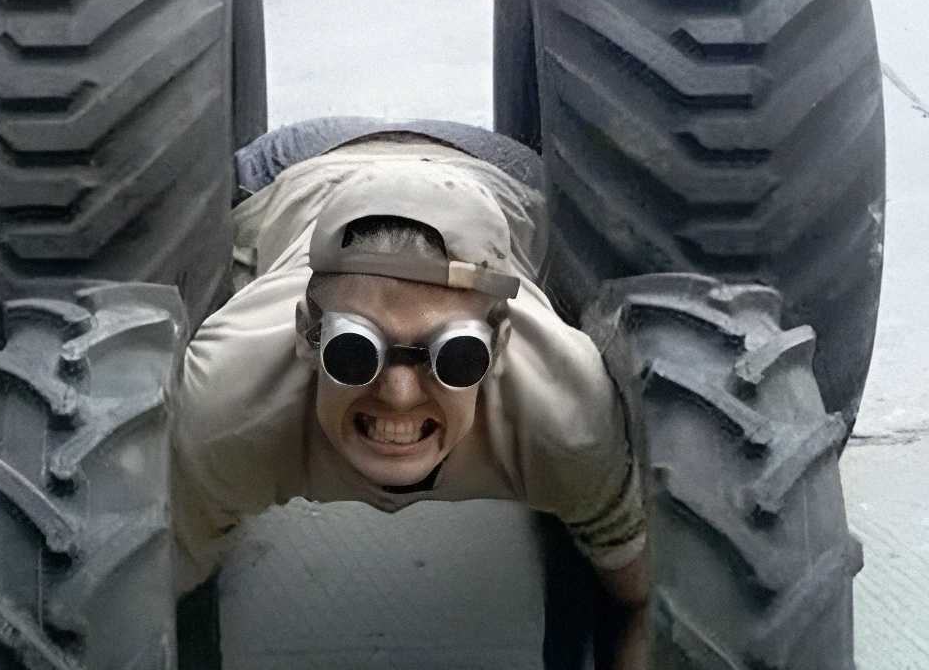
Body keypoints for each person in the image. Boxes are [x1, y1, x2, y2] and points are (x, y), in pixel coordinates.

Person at [171, 133, 649, 618]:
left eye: (456, 358)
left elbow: (643, 598)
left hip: (496, 172)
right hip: (295, 170)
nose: (398, 395)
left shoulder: (568, 413)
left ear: (500, 345)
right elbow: (145, 605)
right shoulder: (224, 403)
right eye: (353, 352)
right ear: (307, 336)